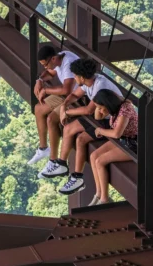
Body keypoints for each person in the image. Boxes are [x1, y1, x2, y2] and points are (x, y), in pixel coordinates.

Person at [38, 59, 123, 196]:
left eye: (75, 75)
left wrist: (66, 112)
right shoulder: (89, 81)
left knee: (81, 140)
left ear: (82, 77)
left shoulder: (100, 86)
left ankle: (77, 177)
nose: (74, 78)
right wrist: (65, 105)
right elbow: (74, 95)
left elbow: (88, 110)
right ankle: (61, 164)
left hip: (110, 120)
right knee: (68, 129)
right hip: (99, 116)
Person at [27, 45, 80, 176]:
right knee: (38, 109)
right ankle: (43, 148)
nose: (45, 67)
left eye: (46, 64)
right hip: (66, 96)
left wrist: (45, 90)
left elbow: (66, 90)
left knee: (51, 119)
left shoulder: (68, 64)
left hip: (76, 98)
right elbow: (50, 73)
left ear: (53, 58)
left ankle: (53, 160)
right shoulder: (59, 58)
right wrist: (39, 80)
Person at [87, 89, 139, 206]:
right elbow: (98, 117)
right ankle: (98, 193)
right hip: (124, 140)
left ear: (108, 104)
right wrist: (97, 105)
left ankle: (104, 199)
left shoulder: (125, 110)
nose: (100, 111)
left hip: (134, 144)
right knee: (93, 156)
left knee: (100, 161)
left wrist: (101, 130)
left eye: (101, 107)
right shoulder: (115, 108)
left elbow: (116, 134)